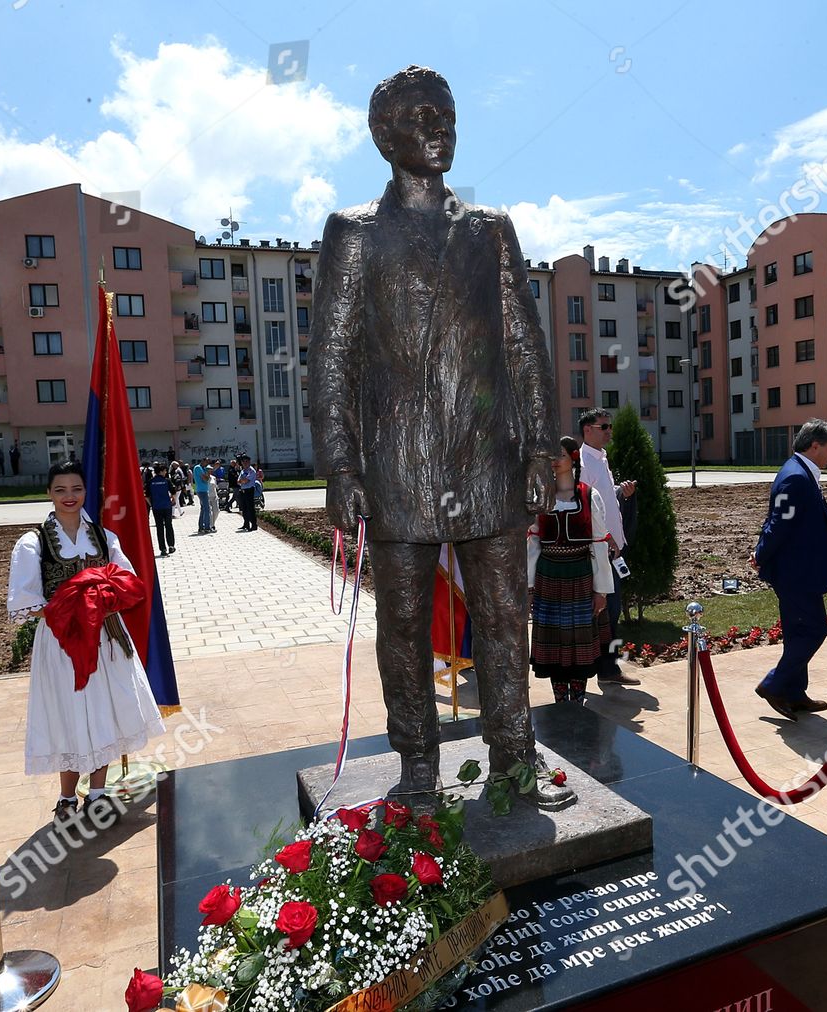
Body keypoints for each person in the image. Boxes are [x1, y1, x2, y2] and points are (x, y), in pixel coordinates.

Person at [309, 65, 572, 809]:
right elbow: (330, 359)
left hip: (487, 460)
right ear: (384, 134)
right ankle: (417, 764)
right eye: (421, 116)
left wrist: (540, 448)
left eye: (447, 113)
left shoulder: (489, 232)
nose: (439, 126)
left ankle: (514, 758)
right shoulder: (354, 233)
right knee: (403, 624)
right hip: (397, 469)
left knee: (502, 616)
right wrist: (340, 464)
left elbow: (525, 346)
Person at [5, 461, 167, 822]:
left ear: (85, 492)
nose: (69, 496)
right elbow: (23, 600)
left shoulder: (104, 538)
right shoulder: (33, 542)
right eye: (60, 489)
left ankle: (97, 792)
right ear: (48, 493)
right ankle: (66, 797)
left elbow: (127, 579)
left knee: (105, 707)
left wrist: (104, 598)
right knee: (69, 711)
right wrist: (71, 608)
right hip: (63, 641)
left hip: (107, 638)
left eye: (76, 489)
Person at [752, 420, 827, 719]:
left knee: (797, 631)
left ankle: (794, 692)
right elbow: (779, 523)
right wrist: (761, 554)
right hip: (796, 572)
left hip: (800, 569)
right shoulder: (796, 477)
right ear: (814, 446)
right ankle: (774, 684)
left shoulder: (801, 473)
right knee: (815, 629)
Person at [527, 445, 614, 704]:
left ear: (573, 458)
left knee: (580, 645)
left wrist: (601, 590)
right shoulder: (541, 496)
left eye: (561, 455)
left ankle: (577, 701)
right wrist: (529, 586)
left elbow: (599, 544)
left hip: (580, 576)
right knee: (555, 645)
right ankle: (560, 702)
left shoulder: (588, 496)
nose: (555, 460)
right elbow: (533, 545)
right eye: (552, 455)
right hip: (549, 576)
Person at [578, 409, 641, 687]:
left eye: (610, 426)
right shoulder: (584, 462)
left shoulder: (600, 459)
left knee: (610, 611)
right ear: (587, 430)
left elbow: (601, 498)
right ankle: (606, 669)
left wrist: (620, 492)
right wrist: (605, 538)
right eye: (604, 426)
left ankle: (607, 667)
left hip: (612, 549)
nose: (609, 431)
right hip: (601, 550)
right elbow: (586, 508)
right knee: (607, 610)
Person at [146, 466, 176, 556]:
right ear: (162, 471)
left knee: (159, 528)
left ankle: (162, 549)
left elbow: (146, 496)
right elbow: (173, 492)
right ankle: (171, 546)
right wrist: (173, 500)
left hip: (156, 507)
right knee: (168, 525)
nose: (166, 472)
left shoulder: (150, 482)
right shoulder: (167, 481)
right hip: (166, 506)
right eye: (165, 470)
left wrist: (151, 504)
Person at [235, 454, 261, 532]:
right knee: (244, 509)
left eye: (246, 461)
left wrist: (243, 481)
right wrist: (243, 481)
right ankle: (246, 524)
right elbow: (238, 481)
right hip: (243, 491)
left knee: (250, 508)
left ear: (249, 462)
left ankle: (253, 525)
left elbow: (246, 480)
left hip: (249, 490)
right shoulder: (243, 471)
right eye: (243, 461)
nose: (245, 463)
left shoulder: (251, 470)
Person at [192, 459, 215, 534]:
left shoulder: (204, 468)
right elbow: (205, 479)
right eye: (206, 462)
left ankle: (201, 527)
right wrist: (208, 472)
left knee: (203, 509)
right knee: (207, 509)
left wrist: (210, 470)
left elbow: (208, 475)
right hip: (202, 491)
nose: (207, 464)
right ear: (203, 461)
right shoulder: (198, 468)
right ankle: (207, 527)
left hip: (204, 490)